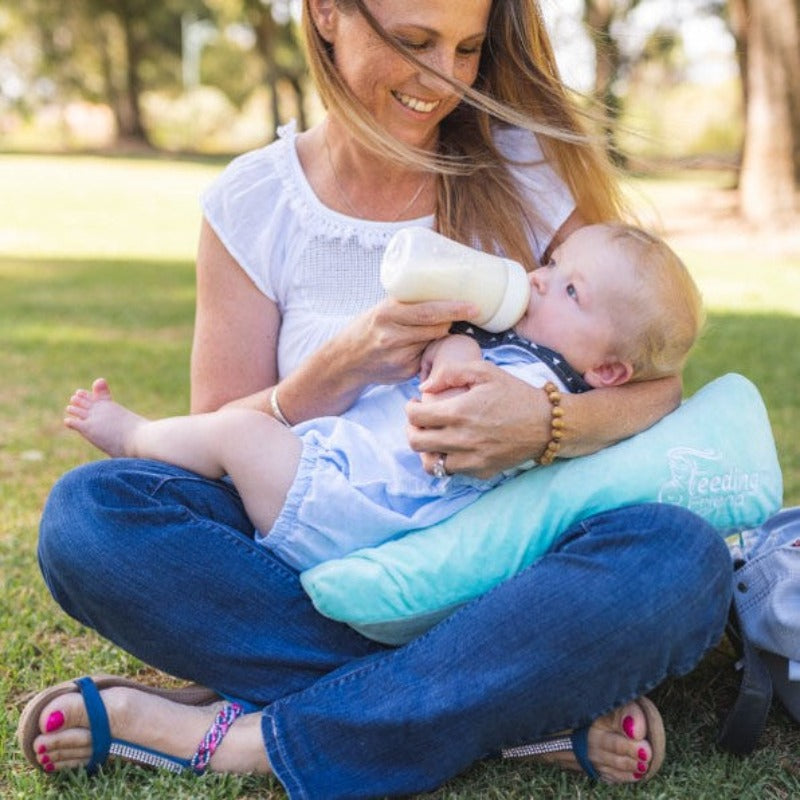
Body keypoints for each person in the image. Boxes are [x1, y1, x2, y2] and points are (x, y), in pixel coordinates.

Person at [19, 0, 733, 796]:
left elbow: (653, 383)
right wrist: (334, 372)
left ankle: (247, 739)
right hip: (314, 554)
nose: (446, 79)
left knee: (681, 559)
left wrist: (542, 424)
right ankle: (511, 707)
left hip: (503, 575)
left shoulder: (530, 173)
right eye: (414, 41)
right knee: (91, 518)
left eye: (468, 49)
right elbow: (213, 455)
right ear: (327, 12)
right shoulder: (253, 204)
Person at [60, 222, 704, 571]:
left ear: (611, 372)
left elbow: (462, 403)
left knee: (236, 437)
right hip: (342, 485)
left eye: (570, 290)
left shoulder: (538, 382)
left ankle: (136, 436)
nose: (539, 277)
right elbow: (452, 369)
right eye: (553, 262)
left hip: (356, 510)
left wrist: (539, 417)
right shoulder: (512, 349)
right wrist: (447, 344)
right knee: (88, 513)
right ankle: (419, 688)